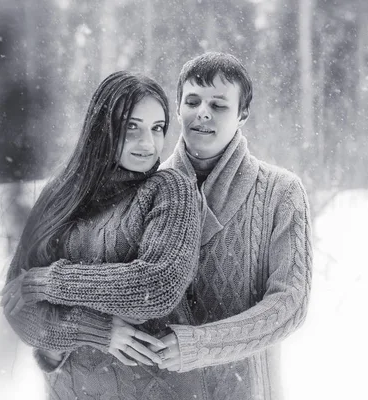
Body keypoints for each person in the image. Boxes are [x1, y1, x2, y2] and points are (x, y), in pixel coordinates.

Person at [0, 71, 206, 399]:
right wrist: (96, 330)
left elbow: (155, 286)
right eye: (132, 127)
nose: (148, 143)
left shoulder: (169, 189)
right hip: (69, 390)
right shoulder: (59, 195)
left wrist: (43, 283)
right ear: (102, 129)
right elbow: (14, 306)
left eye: (157, 128)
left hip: (155, 388)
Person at [146, 51, 313, 399]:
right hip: (161, 389)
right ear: (177, 108)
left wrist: (199, 344)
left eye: (219, 105)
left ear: (243, 114)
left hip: (245, 390)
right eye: (192, 101)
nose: (202, 112)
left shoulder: (281, 192)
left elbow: (290, 304)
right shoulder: (146, 189)